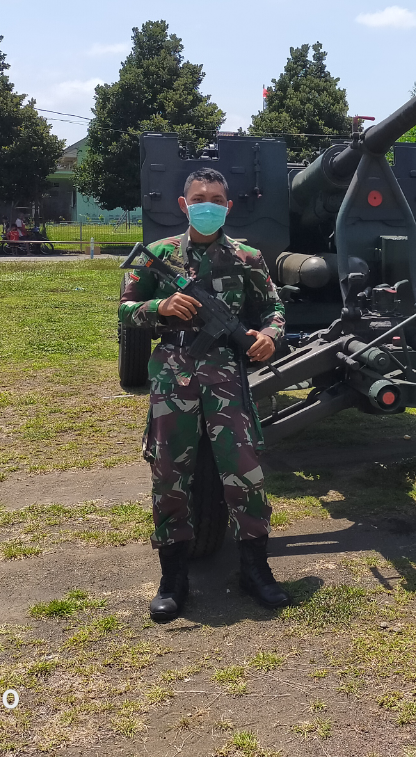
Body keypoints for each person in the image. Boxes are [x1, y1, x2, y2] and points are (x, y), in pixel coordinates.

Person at [119, 167, 287, 622]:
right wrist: (161, 306)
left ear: (227, 207)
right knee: (170, 473)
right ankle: (173, 579)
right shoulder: (159, 255)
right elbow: (126, 311)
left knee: (244, 470)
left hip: (226, 377)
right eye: (199, 197)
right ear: (183, 204)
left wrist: (269, 335)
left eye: (215, 197)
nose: (207, 204)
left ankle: (255, 570)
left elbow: (273, 308)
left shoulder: (247, 257)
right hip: (173, 377)